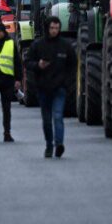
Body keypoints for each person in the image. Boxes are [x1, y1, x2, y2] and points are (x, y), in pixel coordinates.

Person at [25, 16, 75, 158]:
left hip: (60, 88)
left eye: (57, 28)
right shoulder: (38, 45)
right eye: (52, 28)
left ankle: (59, 144)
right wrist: (38, 65)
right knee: (47, 120)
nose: (54, 31)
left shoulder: (66, 46)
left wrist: (67, 83)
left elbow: (73, 66)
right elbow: (27, 62)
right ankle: (49, 145)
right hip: (43, 88)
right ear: (47, 28)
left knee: (58, 116)